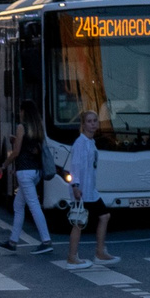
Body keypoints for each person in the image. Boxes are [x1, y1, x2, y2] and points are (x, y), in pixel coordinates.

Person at [59, 107, 114, 268]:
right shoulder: (80, 143)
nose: (92, 124)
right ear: (83, 124)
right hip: (81, 190)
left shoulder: (91, 142)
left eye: (95, 121)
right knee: (79, 221)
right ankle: (72, 257)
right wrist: (75, 186)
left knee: (104, 216)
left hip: (91, 190)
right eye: (89, 121)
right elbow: (75, 167)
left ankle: (100, 252)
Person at [0, 99, 52, 254]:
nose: (19, 113)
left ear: (24, 111)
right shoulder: (37, 127)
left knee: (34, 206)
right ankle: (13, 241)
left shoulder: (21, 127)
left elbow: (16, 152)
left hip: (24, 172)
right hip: (35, 172)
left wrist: (3, 165)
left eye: (20, 111)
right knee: (18, 205)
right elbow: (32, 148)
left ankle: (46, 240)